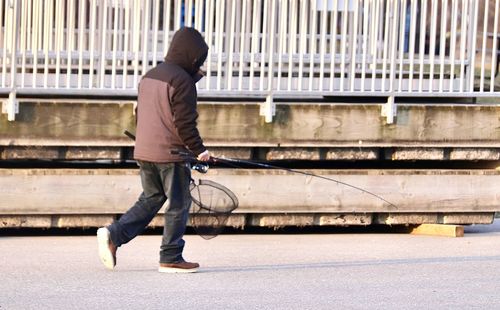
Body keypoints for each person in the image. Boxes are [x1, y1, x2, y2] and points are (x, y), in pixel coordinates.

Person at [97, 27, 210, 273]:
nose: (200, 64)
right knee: (179, 204)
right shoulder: (182, 81)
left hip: (145, 151)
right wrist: (200, 150)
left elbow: (141, 114)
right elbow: (184, 123)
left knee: (152, 198)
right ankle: (171, 257)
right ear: (193, 57)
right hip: (171, 155)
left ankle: (113, 235)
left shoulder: (150, 75)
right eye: (199, 60)